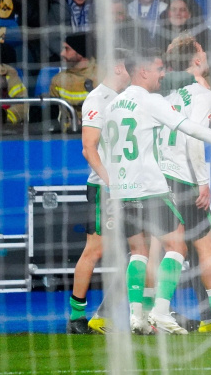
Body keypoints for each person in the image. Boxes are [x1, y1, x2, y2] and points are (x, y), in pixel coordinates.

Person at [104, 50, 211, 334]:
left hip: (121, 188)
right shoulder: (151, 101)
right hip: (152, 185)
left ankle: (137, 317)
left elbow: (106, 148)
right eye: (157, 70)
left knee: (138, 251)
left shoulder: (113, 105)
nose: (162, 75)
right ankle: (163, 312)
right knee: (178, 246)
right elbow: (191, 130)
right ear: (142, 72)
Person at [66, 50, 131, 334]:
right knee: (96, 250)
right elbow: (88, 149)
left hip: (130, 186)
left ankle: (115, 311)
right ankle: (77, 317)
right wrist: (111, 182)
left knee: (141, 250)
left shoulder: (127, 97)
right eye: (130, 68)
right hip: (105, 189)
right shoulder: (97, 99)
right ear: (119, 67)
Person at [50, 32, 98, 131]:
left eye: (67, 49)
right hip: (67, 138)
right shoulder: (58, 81)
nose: (62, 53)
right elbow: (53, 116)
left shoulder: (103, 76)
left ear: (80, 52)